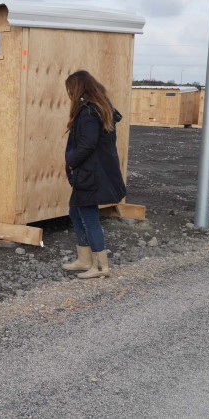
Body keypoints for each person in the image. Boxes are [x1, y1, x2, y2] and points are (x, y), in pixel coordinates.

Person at [63, 70, 126, 279]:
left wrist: (71, 161)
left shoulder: (89, 113)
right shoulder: (98, 109)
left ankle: (100, 266)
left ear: (79, 88)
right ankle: (85, 258)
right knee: (75, 210)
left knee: (89, 217)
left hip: (91, 173)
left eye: (70, 90)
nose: (70, 95)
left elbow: (87, 144)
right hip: (94, 172)